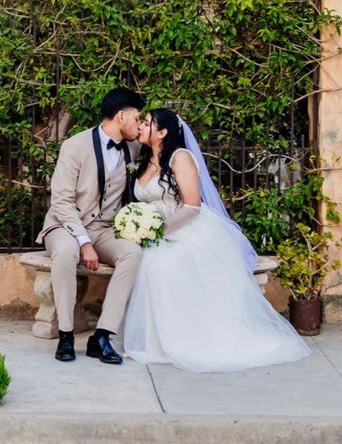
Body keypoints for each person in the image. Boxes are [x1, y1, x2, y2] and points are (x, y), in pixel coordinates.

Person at [122, 108, 311, 373]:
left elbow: (192, 206)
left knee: (161, 266)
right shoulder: (143, 159)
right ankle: (154, 341)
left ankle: (182, 339)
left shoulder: (180, 157)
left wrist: (160, 230)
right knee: (142, 262)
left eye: (147, 122)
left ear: (162, 132)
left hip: (186, 230)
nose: (140, 126)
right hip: (155, 233)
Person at [35, 87, 145, 364]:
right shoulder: (75, 146)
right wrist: (83, 242)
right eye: (137, 118)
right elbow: (61, 201)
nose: (139, 124)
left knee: (132, 253)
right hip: (64, 225)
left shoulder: (134, 149)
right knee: (66, 253)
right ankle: (66, 334)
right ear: (121, 116)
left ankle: (102, 336)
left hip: (104, 228)